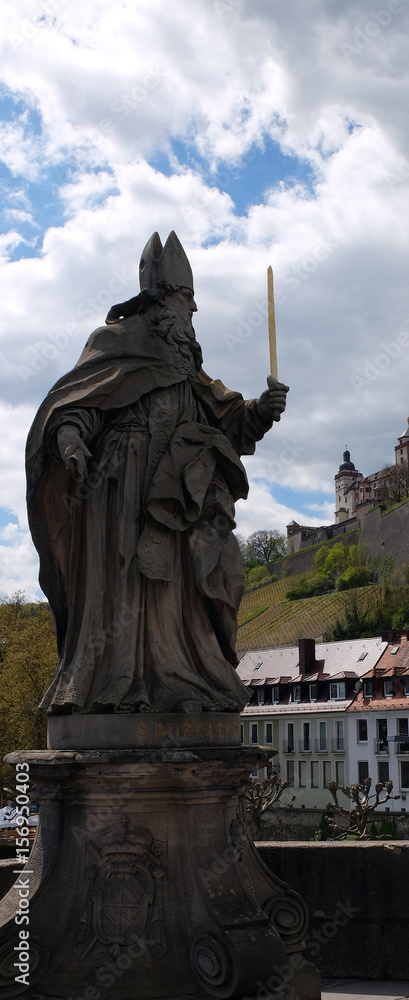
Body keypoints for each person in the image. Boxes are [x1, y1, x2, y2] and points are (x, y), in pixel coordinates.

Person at [26, 232, 288, 715]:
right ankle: (113, 685)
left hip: (173, 493)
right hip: (119, 485)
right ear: (162, 300)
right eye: (187, 300)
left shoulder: (187, 361)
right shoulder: (116, 342)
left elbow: (226, 421)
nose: (192, 313)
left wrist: (262, 411)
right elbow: (78, 402)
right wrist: (69, 439)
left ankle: (181, 679)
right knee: (122, 583)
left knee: (182, 585)